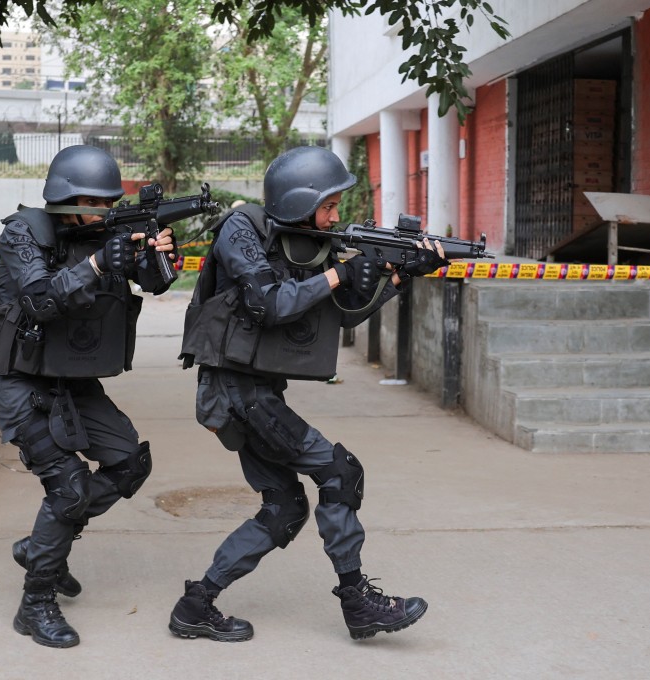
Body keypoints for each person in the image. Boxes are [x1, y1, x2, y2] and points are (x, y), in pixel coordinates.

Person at [172, 145, 450, 642]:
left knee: (284, 507)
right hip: (235, 392)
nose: (336, 217)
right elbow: (270, 303)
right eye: (329, 207)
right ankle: (358, 603)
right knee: (339, 473)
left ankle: (195, 605)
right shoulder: (243, 231)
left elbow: (339, 315)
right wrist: (340, 271)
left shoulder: (305, 244)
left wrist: (397, 276)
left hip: (252, 392)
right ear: (299, 201)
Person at [0, 145, 176, 648]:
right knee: (67, 489)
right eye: (97, 202)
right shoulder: (23, 233)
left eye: (111, 202)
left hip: (71, 377)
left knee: (130, 462)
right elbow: (38, 298)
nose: (107, 212)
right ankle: (35, 603)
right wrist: (96, 263)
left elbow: (152, 285)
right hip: (19, 379)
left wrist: (155, 258)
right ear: (66, 199)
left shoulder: (105, 233)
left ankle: (44, 543)